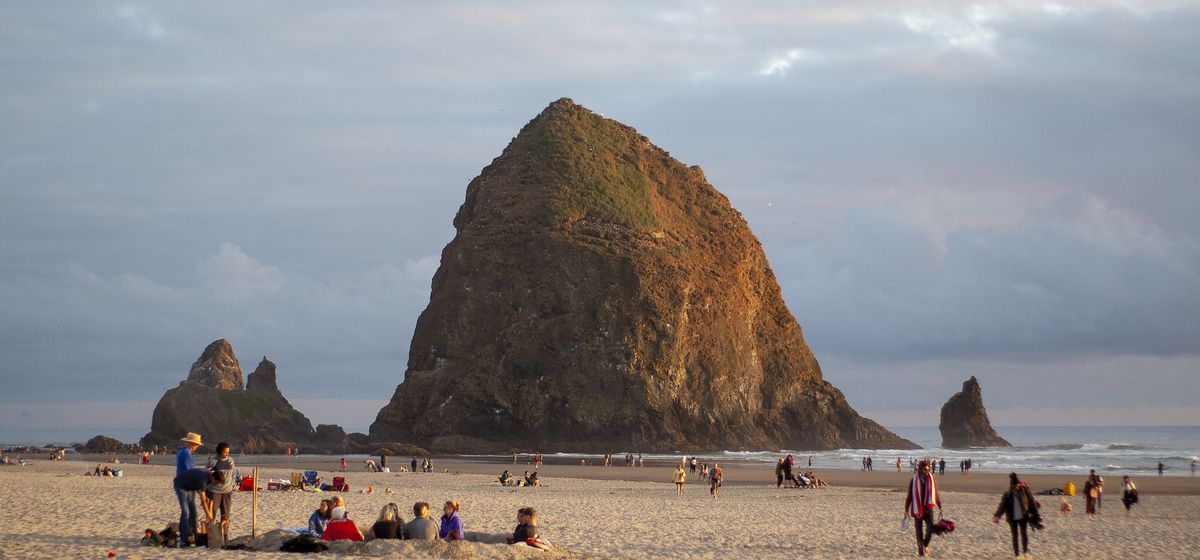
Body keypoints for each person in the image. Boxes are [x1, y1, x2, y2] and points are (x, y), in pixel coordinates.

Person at [993, 473, 1042, 559]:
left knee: (1024, 535)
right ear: (1011, 486)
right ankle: (1017, 555)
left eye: (1017, 485)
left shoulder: (1024, 491)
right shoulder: (1007, 494)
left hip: (1023, 517)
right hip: (1012, 519)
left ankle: (1025, 552)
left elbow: (1030, 499)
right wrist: (997, 515)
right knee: (1015, 536)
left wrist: (1035, 510)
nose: (1016, 487)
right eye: (1015, 486)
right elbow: (1002, 506)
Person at [904, 460, 942, 558]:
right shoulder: (913, 480)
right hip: (918, 509)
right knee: (919, 532)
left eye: (928, 469)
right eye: (925, 469)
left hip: (928, 509)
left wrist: (940, 506)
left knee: (930, 529)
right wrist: (906, 509)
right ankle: (921, 552)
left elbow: (935, 493)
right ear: (920, 469)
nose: (927, 471)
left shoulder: (932, 479)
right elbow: (910, 496)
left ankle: (925, 544)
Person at [173, 432, 203, 548]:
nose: (198, 446)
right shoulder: (185, 453)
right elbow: (190, 471)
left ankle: (190, 536)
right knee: (187, 513)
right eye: (196, 444)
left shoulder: (184, 452)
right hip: (183, 485)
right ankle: (184, 539)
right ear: (191, 443)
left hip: (188, 485)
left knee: (191, 513)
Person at [205, 442, 236, 539]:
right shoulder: (213, 461)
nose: (227, 454)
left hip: (227, 491)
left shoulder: (230, 460)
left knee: (225, 514)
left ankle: (225, 536)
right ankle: (212, 536)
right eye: (225, 452)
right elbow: (207, 473)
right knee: (212, 514)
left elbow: (234, 473)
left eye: (228, 452)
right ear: (219, 452)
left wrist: (233, 485)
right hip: (214, 491)